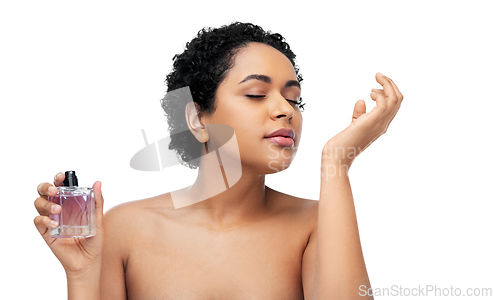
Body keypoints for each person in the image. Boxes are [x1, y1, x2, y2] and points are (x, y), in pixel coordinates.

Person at [34, 22, 403, 299]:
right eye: (257, 94)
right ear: (196, 119)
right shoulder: (126, 229)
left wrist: (335, 165)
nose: (284, 110)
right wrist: (81, 275)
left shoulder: (315, 225)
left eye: (294, 99)